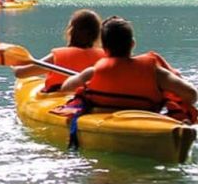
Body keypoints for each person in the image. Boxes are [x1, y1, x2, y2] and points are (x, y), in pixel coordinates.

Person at [57, 16, 197, 121]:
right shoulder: (156, 73)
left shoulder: (93, 72)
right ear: (132, 44)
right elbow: (191, 95)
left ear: (104, 49)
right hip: (147, 121)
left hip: (105, 119)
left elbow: (66, 87)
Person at [12, 9, 104, 91]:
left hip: (58, 98)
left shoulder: (58, 56)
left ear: (71, 31)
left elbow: (20, 73)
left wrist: (14, 63)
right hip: (91, 99)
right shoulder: (105, 57)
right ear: (97, 34)